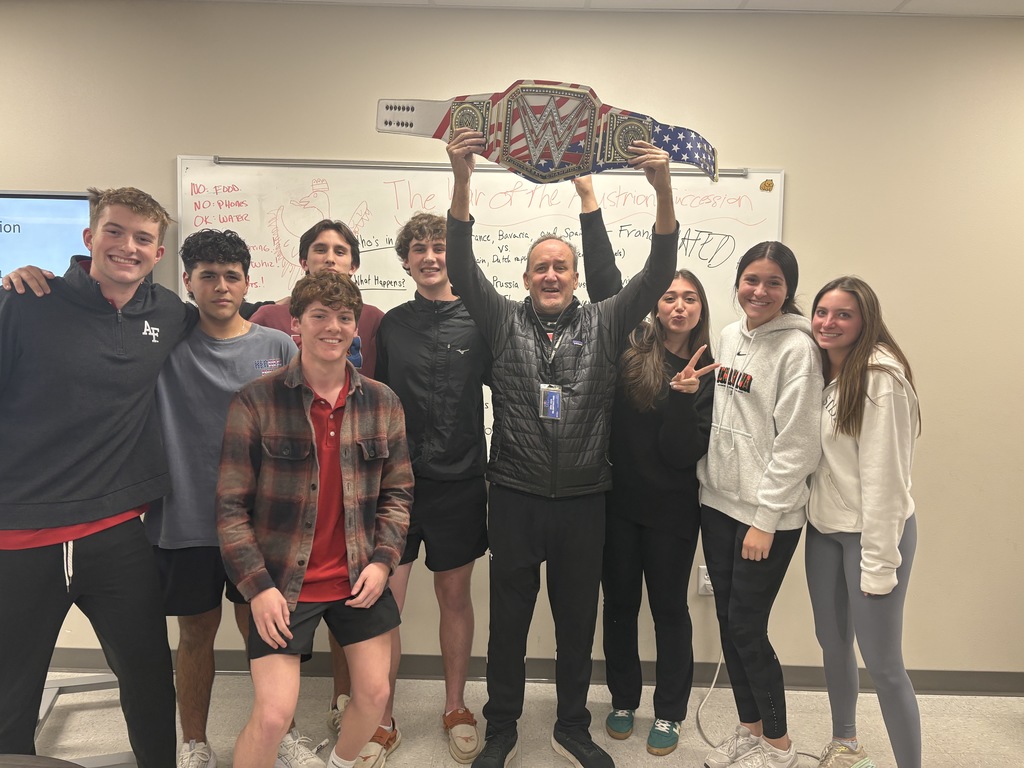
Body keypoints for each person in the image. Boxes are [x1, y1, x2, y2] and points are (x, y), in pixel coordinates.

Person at [445, 126, 679, 768]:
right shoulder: (501, 320)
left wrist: (662, 190)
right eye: (540, 266)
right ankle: (501, 729)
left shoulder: (605, 322)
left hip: (583, 501)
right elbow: (460, 267)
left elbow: (660, 270)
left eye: (561, 266)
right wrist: (464, 179)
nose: (551, 275)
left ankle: (573, 726)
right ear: (525, 276)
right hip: (516, 497)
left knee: (578, 624)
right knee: (509, 627)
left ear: (576, 277)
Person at [0, 187, 197, 765]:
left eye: (142, 238)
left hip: (115, 532)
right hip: (21, 536)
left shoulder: (167, 313)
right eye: (115, 231)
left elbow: (229, 314)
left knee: (149, 679)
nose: (127, 247)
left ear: (158, 252)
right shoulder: (26, 301)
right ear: (89, 238)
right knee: (12, 694)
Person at [216, 270, 413, 768]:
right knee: (273, 716)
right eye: (320, 316)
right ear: (296, 327)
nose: (333, 326)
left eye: (344, 317)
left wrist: (383, 563)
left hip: (357, 574)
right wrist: (257, 588)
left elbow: (398, 494)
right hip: (283, 581)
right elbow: (230, 508)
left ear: (355, 328)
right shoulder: (256, 400)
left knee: (372, 695)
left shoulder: (383, 402)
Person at [334, 212, 490, 766]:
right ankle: (382, 715)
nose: (430, 255)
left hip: (461, 483)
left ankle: (454, 706)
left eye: (440, 246)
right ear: (404, 260)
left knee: (454, 597)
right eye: (419, 248)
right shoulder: (390, 325)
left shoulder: (482, 320)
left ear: (454, 255)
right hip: (393, 486)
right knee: (386, 606)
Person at [144, 229, 301, 768]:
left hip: (259, 524)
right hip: (184, 517)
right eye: (207, 275)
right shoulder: (164, 342)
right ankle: (194, 742)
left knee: (267, 632)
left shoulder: (277, 347)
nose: (220, 286)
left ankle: (284, 734)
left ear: (247, 283)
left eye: (231, 275)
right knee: (195, 635)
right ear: (187, 281)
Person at [696, 242, 822, 768]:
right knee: (728, 622)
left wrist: (765, 520)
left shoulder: (799, 350)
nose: (760, 291)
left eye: (773, 282)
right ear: (738, 282)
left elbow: (798, 445)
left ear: (788, 289)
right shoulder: (728, 335)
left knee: (748, 626)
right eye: (751, 279)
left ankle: (779, 745)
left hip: (766, 516)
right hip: (717, 503)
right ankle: (749, 731)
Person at [594, 270, 718, 757]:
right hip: (617, 504)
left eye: (690, 298)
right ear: (656, 305)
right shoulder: (630, 349)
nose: (679, 307)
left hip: (673, 511)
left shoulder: (707, 370)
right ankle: (624, 700)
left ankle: (669, 711)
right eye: (670, 297)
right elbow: (606, 279)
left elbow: (680, 454)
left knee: (669, 612)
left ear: (701, 309)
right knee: (620, 607)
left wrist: (684, 399)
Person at [806, 277, 921, 768]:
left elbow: (885, 483)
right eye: (822, 312)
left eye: (843, 315)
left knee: (884, 664)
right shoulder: (821, 371)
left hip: (873, 535)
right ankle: (846, 741)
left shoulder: (880, 378)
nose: (828, 323)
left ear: (865, 320)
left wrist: (878, 564)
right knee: (833, 644)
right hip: (824, 529)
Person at [251, 219, 383, 378]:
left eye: (340, 252)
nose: (330, 259)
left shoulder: (374, 319)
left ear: (353, 266)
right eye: (320, 250)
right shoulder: (269, 317)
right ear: (304, 262)